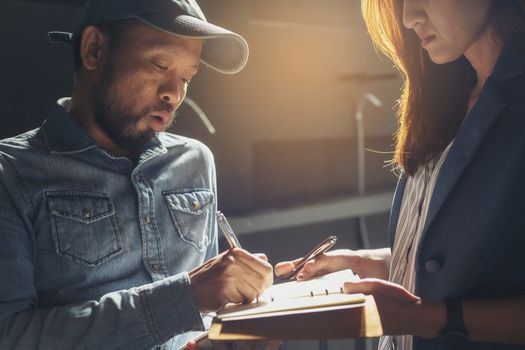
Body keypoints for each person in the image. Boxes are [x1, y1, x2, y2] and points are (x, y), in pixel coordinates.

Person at [0, 1, 273, 349]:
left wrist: (233, 338)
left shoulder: (195, 161)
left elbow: (203, 322)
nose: (174, 94)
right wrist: (184, 297)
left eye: (187, 77)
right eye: (160, 64)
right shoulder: (11, 173)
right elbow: (9, 336)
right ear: (94, 49)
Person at [276, 0, 525, 349]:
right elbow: (456, 261)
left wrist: (424, 318)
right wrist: (364, 263)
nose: (408, 17)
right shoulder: (446, 95)